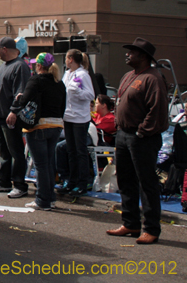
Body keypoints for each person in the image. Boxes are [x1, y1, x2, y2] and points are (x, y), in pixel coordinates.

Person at [107, 38, 168, 245]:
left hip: (142, 137)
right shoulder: (128, 76)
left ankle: (151, 229)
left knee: (147, 183)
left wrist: (143, 131)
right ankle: (130, 223)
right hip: (123, 134)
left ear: (143, 56)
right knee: (125, 180)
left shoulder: (153, 78)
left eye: (132, 52)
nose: (127, 55)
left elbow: (157, 110)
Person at [6, 53, 66, 210]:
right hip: (56, 126)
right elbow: (63, 106)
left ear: (39, 66)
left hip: (38, 126)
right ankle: (50, 198)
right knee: (49, 163)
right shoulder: (59, 83)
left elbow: (24, 100)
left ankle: (42, 200)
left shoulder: (36, 80)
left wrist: (18, 99)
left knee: (41, 165)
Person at [0, 37, 32, 198]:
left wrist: (14, 111)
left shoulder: (20, 66)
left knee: (16, 151)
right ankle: (3, 181)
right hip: (0, 115)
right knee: (4, 151)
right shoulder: (3, 66)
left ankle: (19, 184)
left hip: (10, 117)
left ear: (5, 49)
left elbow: (21, 92)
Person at [59, 49, 95, 196]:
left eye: (66, 58)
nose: (65, 61)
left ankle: (83, 183)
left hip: (80, 118)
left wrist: (78, 92)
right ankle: (71, 181)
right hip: (68, 116)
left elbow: (91, 95)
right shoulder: (67, 74)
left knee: (80, 151)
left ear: (71, 59)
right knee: (71, 150)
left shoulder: (83, 75)